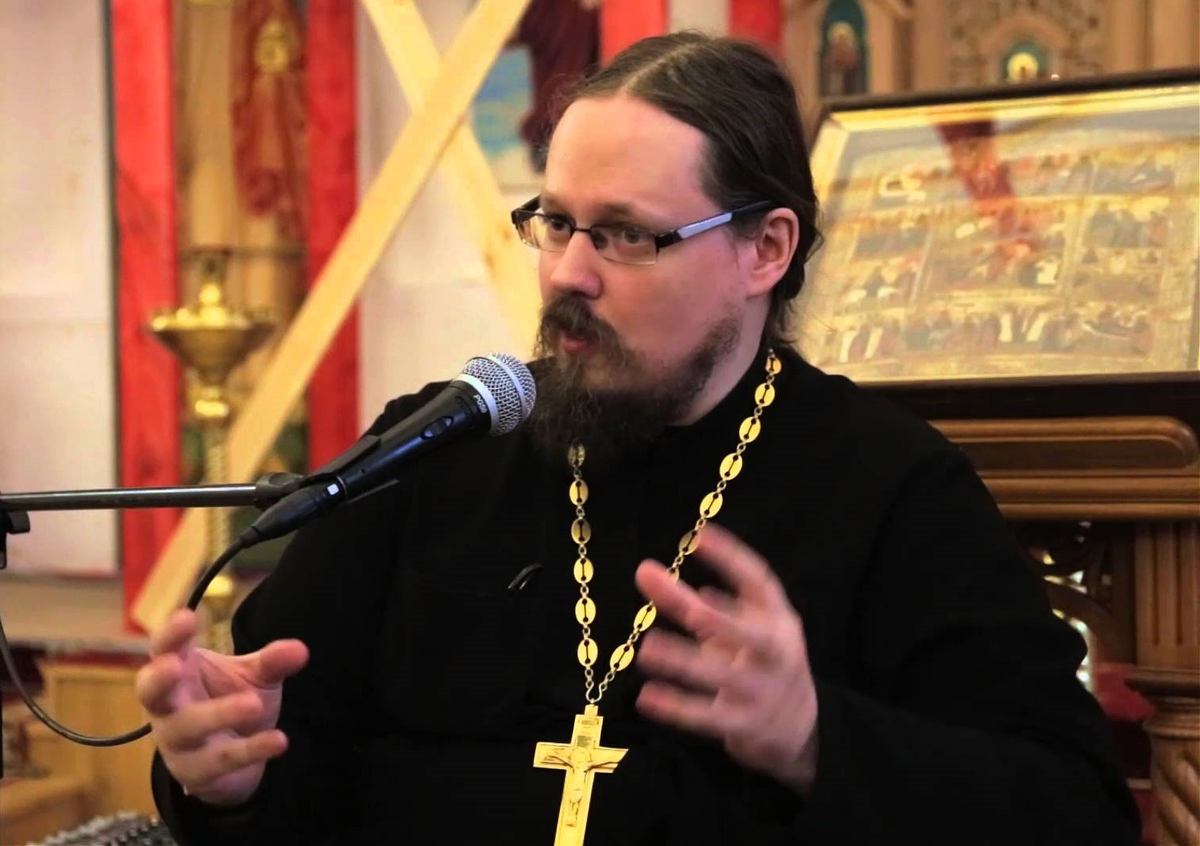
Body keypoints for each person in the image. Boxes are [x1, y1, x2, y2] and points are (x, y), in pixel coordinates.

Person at [138, 32, 1139, 845]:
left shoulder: (894, 487)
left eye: (626, 235)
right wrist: (225, 781)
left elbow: (1075, 810)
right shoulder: (434, 451)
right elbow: (285, 767)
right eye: (556, 223)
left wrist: (814, 739)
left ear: (765, 248)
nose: (569, 273)